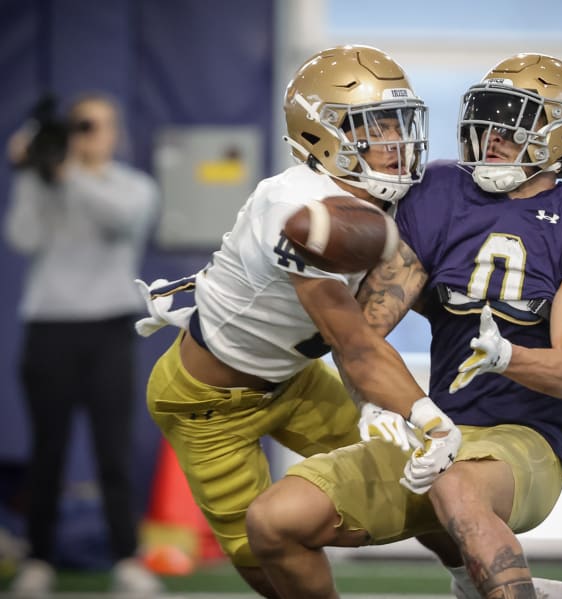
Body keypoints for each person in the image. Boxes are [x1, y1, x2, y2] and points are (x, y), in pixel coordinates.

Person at [244, 53, 562, 598]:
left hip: (526, 441)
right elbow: (365, 331)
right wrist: (373, 402)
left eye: (513, 123)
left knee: (457, 487)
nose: (493, 137)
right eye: (486, 120)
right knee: (274, 521)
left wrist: (508, 356)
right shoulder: (440, 193)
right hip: (439, 434)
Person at [134, 45, 461, 597]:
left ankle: (471, 582)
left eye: (399, 123)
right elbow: (352, 343)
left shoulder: (371, 196)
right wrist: (427, 414)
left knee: (422, 477)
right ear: (320, 136)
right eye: (374, 127)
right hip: (204, 402)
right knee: (263, 549)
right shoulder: (298, 209)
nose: (396, 142)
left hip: (291, 377)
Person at [3, 93, 163, 594]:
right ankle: (39, 560)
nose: (91, 135)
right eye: (82, 126)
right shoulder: (44, 181)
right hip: (50, 328)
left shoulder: (134, 187)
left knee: (111, 450)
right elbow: (23, 238)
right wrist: (31, 173)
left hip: (109, 329)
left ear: (115, 133)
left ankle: (126, 558)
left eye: (99, 126)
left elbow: (121, 222)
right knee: (48, 450)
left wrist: (68, 172)